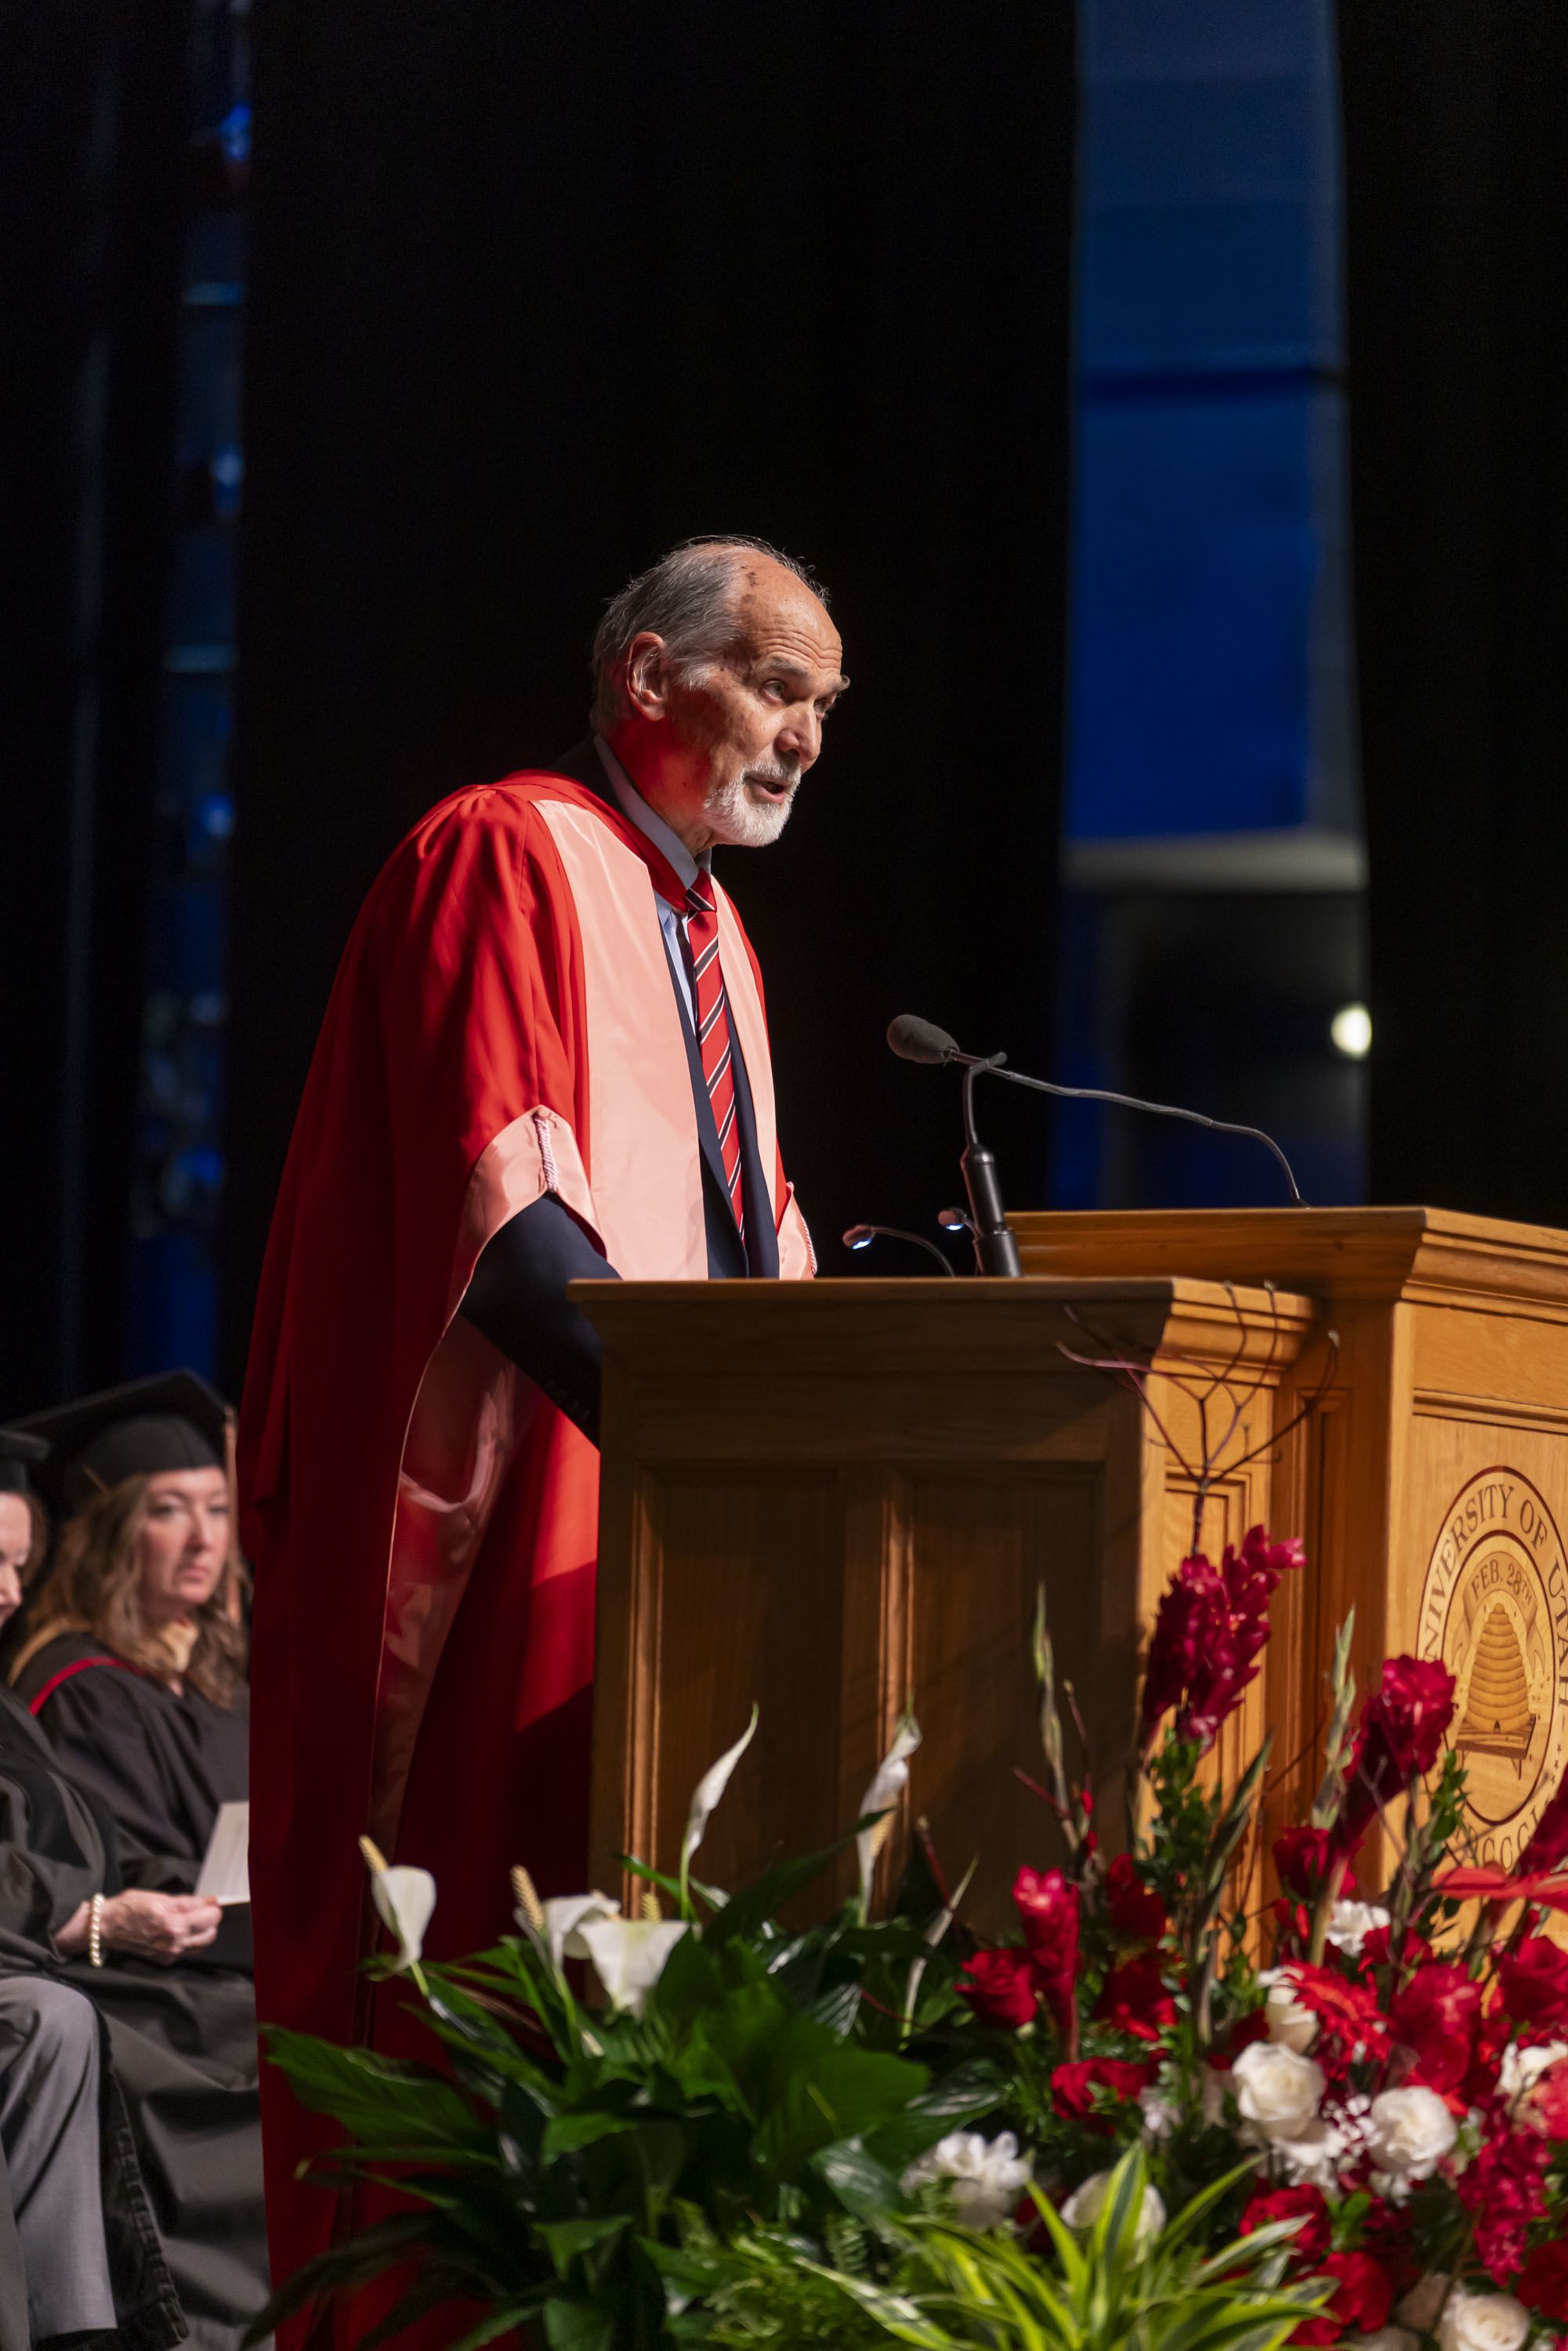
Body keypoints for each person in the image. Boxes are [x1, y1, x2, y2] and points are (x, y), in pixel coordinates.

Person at [237, 534, 843, 2317]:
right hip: (520, 1521)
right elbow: (508, 1228)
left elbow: (756, 1239)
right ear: (646, 675)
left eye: (823, 704)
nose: (806, 733)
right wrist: (709, 1446)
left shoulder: (708, 934)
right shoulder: (501, 848)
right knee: (470, 2003)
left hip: (665, 1535)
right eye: (777, 684)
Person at [5, 1379, 269, 2346]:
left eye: (217, 1511)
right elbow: (99, 1859)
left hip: (213, 1949)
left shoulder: (220, 1677)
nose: (205, 1540)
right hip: (139, 1963)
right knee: (255, 2037)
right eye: (169, 1512)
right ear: (114, 1533)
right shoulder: (77, 1685)